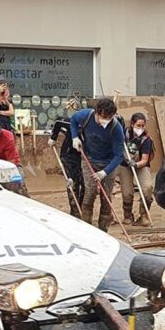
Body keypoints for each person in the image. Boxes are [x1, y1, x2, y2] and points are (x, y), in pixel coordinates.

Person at [70, 98, 125, 231]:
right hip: (89, 159)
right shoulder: (86, 116)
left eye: (109, 117)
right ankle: (87, 229)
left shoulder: (116, 128)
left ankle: (103, 230)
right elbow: (73, 120)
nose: (106, 120)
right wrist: (75, 136)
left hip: (108, 164)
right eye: (103, 117)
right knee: (90, 193)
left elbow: (119, 156)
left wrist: (104, 172)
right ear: (96, 113)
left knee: (106, 198)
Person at [118, 112, 155, 225]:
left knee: (147, 188)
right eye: (138, 125)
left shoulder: (146, 139)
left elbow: (144, 160)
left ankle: (143, 215)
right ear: (132, 124)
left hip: (140, 165)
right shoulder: (123, 133)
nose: (141, 128)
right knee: (127, 192)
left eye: (143, 126)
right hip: (124, 164)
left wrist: (135, 164)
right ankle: (128, 215)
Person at [49, 116, 84, 217]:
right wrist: (53, 138)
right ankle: (75, 212)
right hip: (69, 155)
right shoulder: (74, 123)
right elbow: (59, 121)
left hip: (85, 156)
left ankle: (82, 209)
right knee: (73, 182)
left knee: (85, 185)